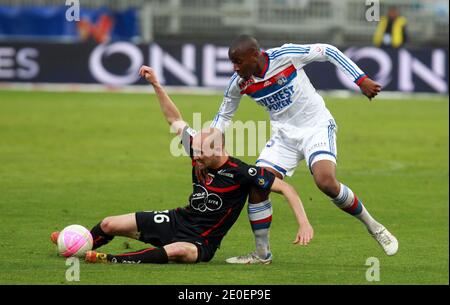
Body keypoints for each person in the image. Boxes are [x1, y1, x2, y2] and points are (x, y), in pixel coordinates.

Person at [50, 65, 314, 264]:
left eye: (200, 153)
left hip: (202, 241)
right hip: (177, 220)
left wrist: (303, 223)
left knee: (180, 250)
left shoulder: (242, 173)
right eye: (194, 151)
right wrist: (156, 83)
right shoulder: (197, 150)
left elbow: (288, 190)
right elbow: (173, 119)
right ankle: (80, 244)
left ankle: (114, 259)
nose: (194, 157)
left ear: (218, 149)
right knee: (108, 224)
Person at [207, 35, 398, 264]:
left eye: (238, 62)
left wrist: (361, 79)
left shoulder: (285, 56)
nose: (235, 68)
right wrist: (207, 143)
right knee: (258, 184)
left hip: (315, 127)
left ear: (255, 56)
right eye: (232, 63)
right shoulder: (239, 83)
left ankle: (374, 227)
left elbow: (328, 50)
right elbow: (224, 116)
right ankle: (261, 253)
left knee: (326, 182)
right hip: (284, 137)